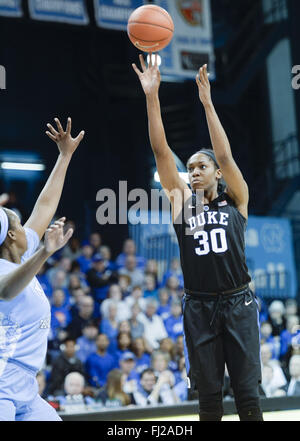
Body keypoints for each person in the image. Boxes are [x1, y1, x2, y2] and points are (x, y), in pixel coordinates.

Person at [132, 55, 263, 421]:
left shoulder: (237, 199)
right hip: (200, 306)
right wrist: (152, 96)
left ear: (217, 173)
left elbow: (223, 152)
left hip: (238, 303)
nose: (193, 173)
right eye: (189, 169)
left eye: (200, 167)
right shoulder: (183, 206)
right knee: (207, 399)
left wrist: (207, 104)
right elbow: (161, 152)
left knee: (247, 396)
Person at [0, 117, 84, 421]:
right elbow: (6, 290)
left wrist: (64, 157)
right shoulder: (5, 268)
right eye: (19, 224)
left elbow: (45, 205)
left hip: (26, 387)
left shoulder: (19, 256)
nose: (28, 227)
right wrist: (44, 253)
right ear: (11, 235)